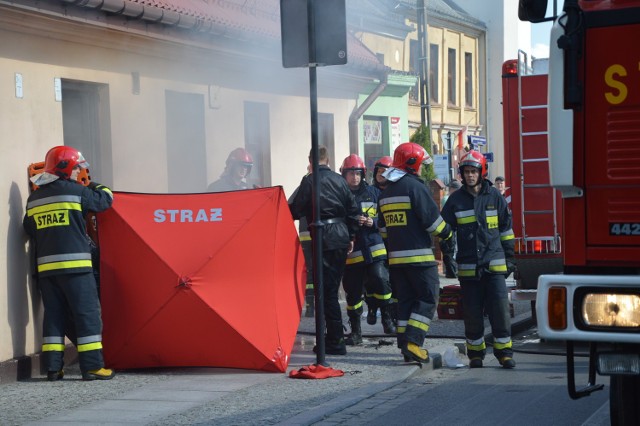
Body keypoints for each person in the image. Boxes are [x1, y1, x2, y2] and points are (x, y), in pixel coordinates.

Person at [23, 146, 115, 381]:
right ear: (65, 168)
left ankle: (53, 369)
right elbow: (104, 201)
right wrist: (94, 185)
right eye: (76, 168)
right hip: (76, 269)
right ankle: (93, 367)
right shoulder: (78, 192)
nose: (78, 172)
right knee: (87, 315)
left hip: (46, 272)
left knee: (54, 317)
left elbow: (29, 229)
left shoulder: (33, 200)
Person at [377, 142, 454, 363]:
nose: (421, 168)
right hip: (420, 259)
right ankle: (413, 342)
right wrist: (448, 234)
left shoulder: (386, 192)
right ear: (412, 163)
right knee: (429, 297)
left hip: (396, 262)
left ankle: (405, 346)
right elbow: (434, 225)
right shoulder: (416, 187)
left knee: (407, 302)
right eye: (420, 164)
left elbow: (383, 230)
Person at [440, 150, 517, 369]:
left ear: (481, 172)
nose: (470, 175)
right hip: (468, 268)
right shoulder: (455, 200)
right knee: (472, 313)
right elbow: (445, 231)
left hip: (494, 265)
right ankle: (476, 354)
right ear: (461, 174)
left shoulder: (494, 197)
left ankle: (504, 353)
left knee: (500, 311)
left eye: (474, 171)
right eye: (467, 172)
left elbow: (506, 230)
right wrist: (448, 258)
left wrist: (509, 259)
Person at [289, 146, 360, 355]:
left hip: (323, 237)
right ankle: (333, 338)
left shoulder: (310, 180)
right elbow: (353, 210)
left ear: (310, 160)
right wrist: (352, 236)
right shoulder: (340, 180)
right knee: (331, 290)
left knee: (326, 293)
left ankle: (335, 341)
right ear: (327, 160)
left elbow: (296, 209)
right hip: (340, 237)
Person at [339, 154, 395, 346]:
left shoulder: (373, 193)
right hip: (352, 253)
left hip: (374, 246)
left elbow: (386, 216)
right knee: (353, 293)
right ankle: (356, 332)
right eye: (350, 173)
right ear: (344, 174)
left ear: (362, 174)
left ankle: (387, 319)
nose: (354, 177)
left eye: (357, 173)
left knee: (381, 279)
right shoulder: (341, 196)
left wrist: (374, 222)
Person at [367, 155, 397, 326]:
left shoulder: (395, 191)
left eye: (385, 171)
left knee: (392, 282)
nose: (381, 174)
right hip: (375, 243)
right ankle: (373, 308)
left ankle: (390, 316)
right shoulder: (370, 192)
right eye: (379, 171)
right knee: (375, 279)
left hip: (395, 243)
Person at [442, 179, 462, 278]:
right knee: (451, 251)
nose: (449, 190)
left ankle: (453, 271)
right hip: (452, 229)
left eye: (450, 189)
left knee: (452, 251)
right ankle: (452, 271)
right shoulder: (450, 199)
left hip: (454, 230)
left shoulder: (452, 199)